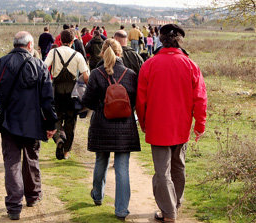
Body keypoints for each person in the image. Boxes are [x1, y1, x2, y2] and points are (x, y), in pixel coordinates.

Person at [136, 24, 207, 223]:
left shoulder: (149, 64)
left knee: (162, 171)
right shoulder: (190, 65)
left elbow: (141, 101)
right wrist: (199, 125)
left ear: (160, 40)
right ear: (180, 41)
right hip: (181, 126)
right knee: (178, 168)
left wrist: (143, 122)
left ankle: (169, 212)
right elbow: (200, 98)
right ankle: (174, 205)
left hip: (157, 125)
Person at [0, 31, 57, 220]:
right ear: (30, 45)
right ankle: (32, 196)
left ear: (15, 44)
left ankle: (14, 206)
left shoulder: (1, 63)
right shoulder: (39, 65)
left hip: (9, 122)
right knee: (31, 159)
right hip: (33, 122)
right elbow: (47, 100)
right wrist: (51, 124)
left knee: (12, 163)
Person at [82, 38, 141, 220]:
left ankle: (98, 195)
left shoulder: (96, 74)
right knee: (122, 168)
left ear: (102, 53)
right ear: (120, 52)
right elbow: (135, 101)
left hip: (102, 124)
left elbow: (88, 101)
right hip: (125, 126)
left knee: (101, 161)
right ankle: (121, 210)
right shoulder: (130, 74)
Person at [45, 30, 89, 160]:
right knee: (70, 122)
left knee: (56, 118)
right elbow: (86, 76)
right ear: (72, 41)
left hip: (56, 91)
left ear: (60, 40)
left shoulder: (54, 52)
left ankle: (58, 138)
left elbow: (43, 68)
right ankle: (66, 152)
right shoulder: (78, 55)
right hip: (72, 93)